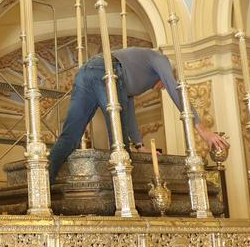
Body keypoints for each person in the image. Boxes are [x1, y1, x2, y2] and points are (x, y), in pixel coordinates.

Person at [47, 47, 228, 181]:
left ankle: (46, 183)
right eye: (165, 81)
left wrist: (140, 145)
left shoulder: (135, 78)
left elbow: (128, 109)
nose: (163, 87)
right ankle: (125, 204)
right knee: (119, 144)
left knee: (69, 138)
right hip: (107, 69)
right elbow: (175, 89)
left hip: (85, 73)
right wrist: (202, 129)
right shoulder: (159, 58)